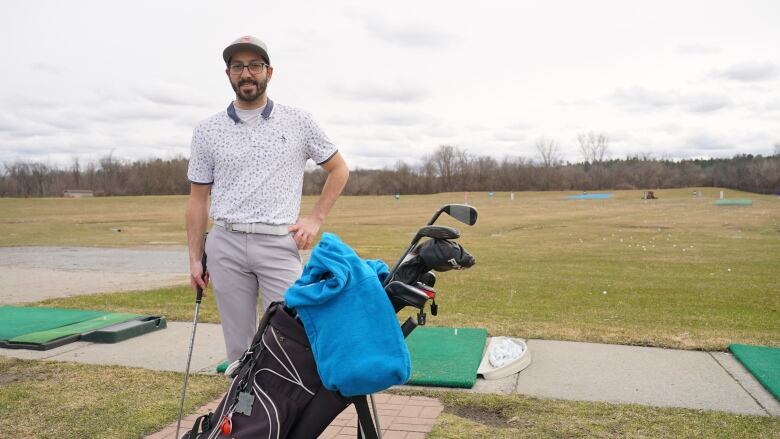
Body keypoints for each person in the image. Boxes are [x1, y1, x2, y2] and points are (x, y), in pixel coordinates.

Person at [185, 35, 349, 362]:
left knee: (288, 339)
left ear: (269, 72)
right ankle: (244, 413)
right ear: (228, 73)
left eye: (255, 66)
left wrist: (314, 219)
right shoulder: (206, 130)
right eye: (238, 66)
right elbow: (198, 199)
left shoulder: (299, 121)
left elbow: (339, 169)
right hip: (226, 244)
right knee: (239, 349)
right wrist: (194, 257)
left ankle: (283, 412)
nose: (247, 74)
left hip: (278, 243)